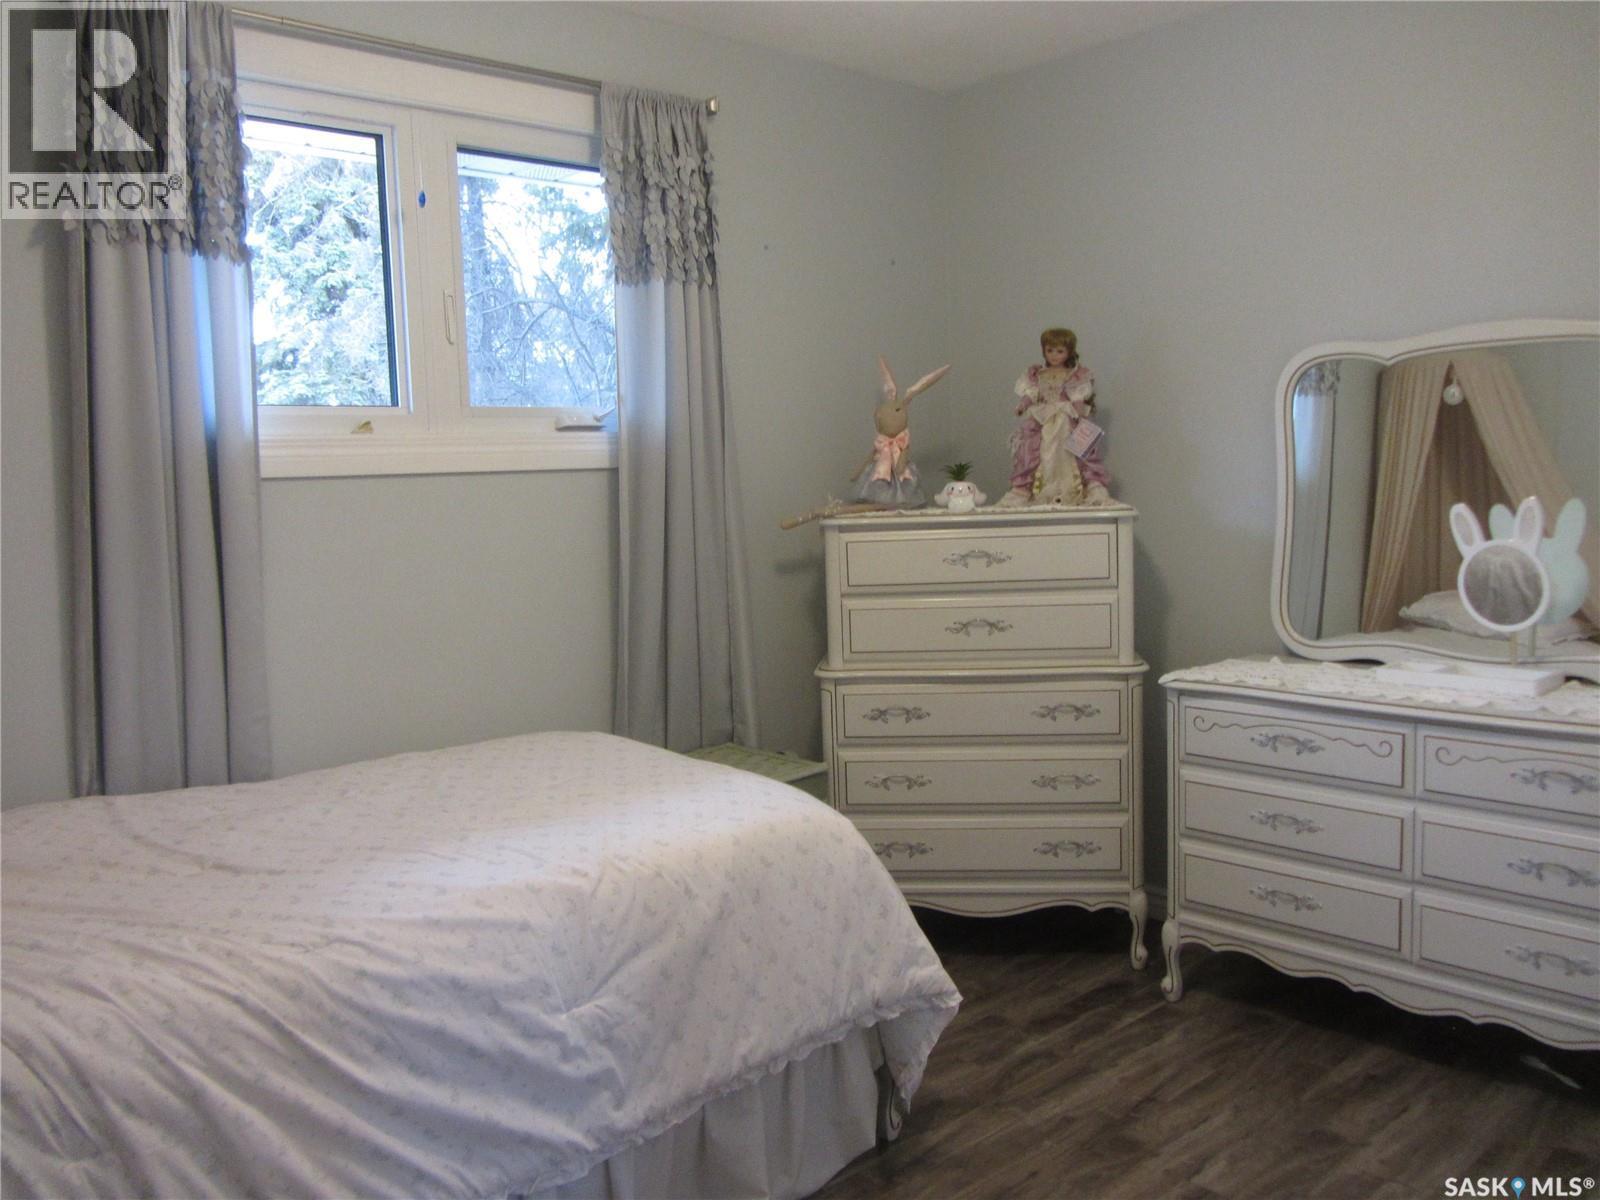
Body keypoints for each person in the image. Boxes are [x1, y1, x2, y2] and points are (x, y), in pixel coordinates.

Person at [998, 328, 1113, 507]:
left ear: (1069, 352)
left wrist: (1082, 412)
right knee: (1032, 451)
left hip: (1066, 419)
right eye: (1050, 350)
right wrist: (1022, 405)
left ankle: (1090, 487)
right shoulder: (1036, 374)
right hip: (1042, 418)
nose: (1054, 355)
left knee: (1078, 450)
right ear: (1044, 350)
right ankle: (1024, 490)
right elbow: (1031, 394)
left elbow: (1077, 397)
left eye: (1060, 351)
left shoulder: (1075, 374)